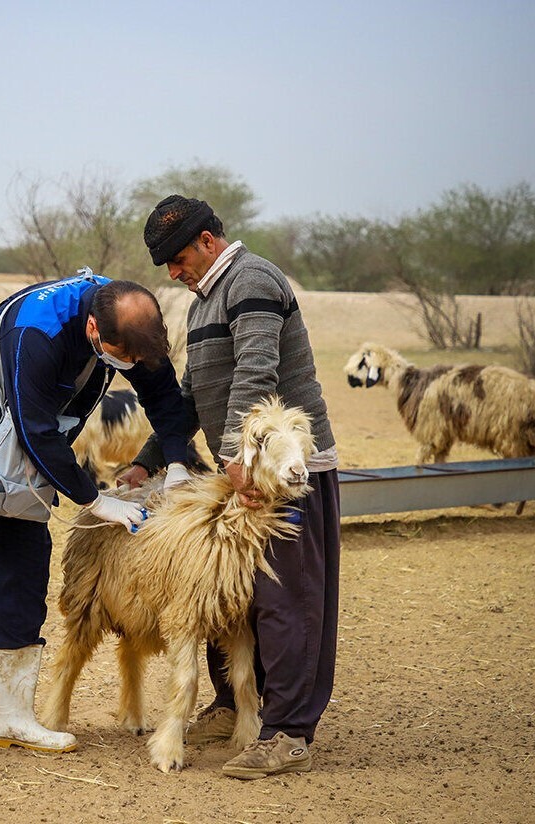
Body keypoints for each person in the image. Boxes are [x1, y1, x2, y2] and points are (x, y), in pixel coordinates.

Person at [0, 270, 192, 771]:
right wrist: (97, 500)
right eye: (122, 358)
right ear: (92, 333)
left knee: (23, 570)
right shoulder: (34, 331)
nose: (129, 367)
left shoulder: (130, 322)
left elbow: (165, 395)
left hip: (26, 449)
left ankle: (8, 716)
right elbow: (34, 426)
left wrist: (177, 464)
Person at [119, 195, 341, 780]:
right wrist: (146, 461)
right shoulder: (206, 301)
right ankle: (232, 706)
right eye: (165, 262)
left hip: (283, 477)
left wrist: (235, 458)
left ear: (208, 242)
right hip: (239, 474)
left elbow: (257, 373)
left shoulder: (252, 282)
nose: (172, 272)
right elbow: (193, 395)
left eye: (177, 257)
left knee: (284, 602)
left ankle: (288, 731)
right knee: (223, 596)